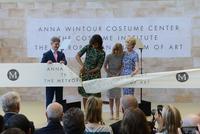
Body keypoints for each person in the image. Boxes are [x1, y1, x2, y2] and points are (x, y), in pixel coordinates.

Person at [76, 34, 105, 109]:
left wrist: (89, 71)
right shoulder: (88, 47)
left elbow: (98, 67)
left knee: (95, 97)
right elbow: (77, 56)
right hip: (85, 75)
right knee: (85, 95)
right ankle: (86, 113)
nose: (94, 45)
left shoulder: (102, 53)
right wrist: (82, 66)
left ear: (99, 43)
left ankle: (95, 113)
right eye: (93, 44)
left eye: (95, 44)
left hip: (94, 76)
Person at [41, 36, 67, 108]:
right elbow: (41, 64)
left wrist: (63, 62)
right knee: (49, 99)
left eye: (58, 44)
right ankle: (48, 115)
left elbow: (66, 62)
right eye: (56, 44)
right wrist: (46, 63)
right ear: (51, 44)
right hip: (50, 81)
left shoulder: (61, 54)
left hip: (59, 80)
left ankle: (59, 115)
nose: (57, 46)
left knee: (59, 99)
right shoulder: (46, 54)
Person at [104, 43, 123, 120]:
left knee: (117, 97)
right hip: (110, 77)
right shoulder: (109, 56)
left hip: (118, 77)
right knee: (111, 97)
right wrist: (110, 74)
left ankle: (117, 114)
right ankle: (111, 113)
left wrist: (118, 73)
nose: (116, 52)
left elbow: (122, 66)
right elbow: (104, 67)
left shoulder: (122, 56)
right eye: (115, 50)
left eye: (118, 51)